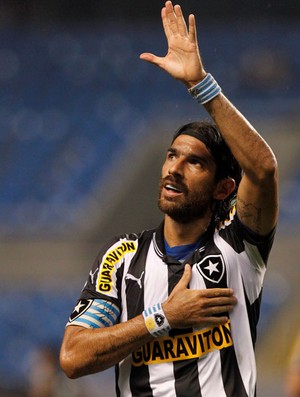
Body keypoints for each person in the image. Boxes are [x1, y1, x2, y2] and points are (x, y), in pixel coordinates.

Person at [60, 2, 279, 396]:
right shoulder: (122, 258)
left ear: (223, 188)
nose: (174, 169)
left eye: (194, 162)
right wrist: (161, 317)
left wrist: (201, 85)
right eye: (171, 155)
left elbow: (262, 170)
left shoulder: (238, 245)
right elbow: (73, 357)